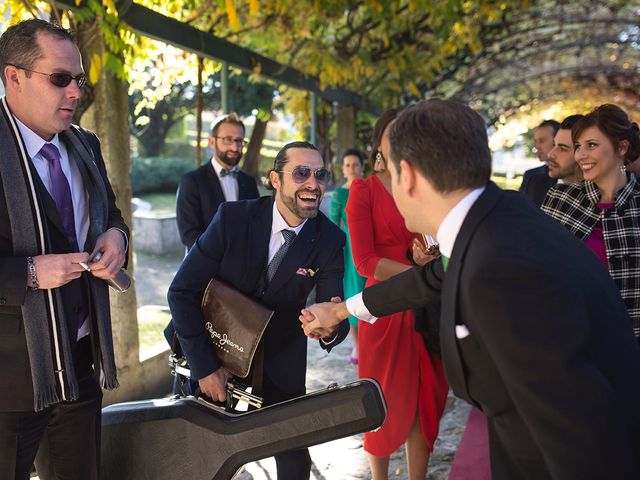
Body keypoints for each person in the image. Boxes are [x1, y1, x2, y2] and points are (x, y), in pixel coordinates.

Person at [301, 99, 640, 479]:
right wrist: (343, 310)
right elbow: (433, 279)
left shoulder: (498, 270)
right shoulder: (498, 215)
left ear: (408, 175)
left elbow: (578, 437)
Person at [168, 141, 348, 479]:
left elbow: (334, 308)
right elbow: (181, 292)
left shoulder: (330, 239)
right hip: (212, 344)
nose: (313, 183)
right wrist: (205, 367)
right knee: (195, 453)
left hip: (280, 354)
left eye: (320, 174)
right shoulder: (232, 218)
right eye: (301, 173)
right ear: (275, 180)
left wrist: (330, 327)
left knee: (293, 454)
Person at [0, 19, 129, 480]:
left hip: (79, 365)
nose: (75, 92)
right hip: (8, 380)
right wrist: (31, 273)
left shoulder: (85, 145)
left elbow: (111, 217)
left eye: (79, 79)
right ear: (13, 77)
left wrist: (116, 240)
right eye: (60, 79)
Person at [344, 109, 447, 480]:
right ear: (379, 144)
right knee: (381, 401)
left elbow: (435, 235)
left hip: (426, 305)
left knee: (425, 399)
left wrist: (425, 257)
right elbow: (364, 261)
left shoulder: (424, 183)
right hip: (384, 309)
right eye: (393, 135)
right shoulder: (364, 190)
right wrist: (418, 276)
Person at [543, 104, 640, 342]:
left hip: (629, 350)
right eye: (578, 147)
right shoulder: (560, 199)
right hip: (569, 342)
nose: (580, 155)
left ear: (622, 147)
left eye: (592, 145)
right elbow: (538, 271)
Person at [176, 113, 259, 250]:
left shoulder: (249, 182)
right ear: (212, 142)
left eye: (239, 141)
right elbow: (189, 234)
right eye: (228, 140)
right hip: (207, 267)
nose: (234, 147)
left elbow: (257, 226)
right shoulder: (192, 181)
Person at [329, 148, 367, 364]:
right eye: (347, 165)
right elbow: (334, 225)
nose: (351, 168)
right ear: (343, 169)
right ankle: (357, 345)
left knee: (370, 290)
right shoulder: (339, 194)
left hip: (372, 243)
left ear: (362, 167)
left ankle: (372, 342)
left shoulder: (371, 188)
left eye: (355, 164)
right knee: (353, 294)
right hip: (350, 248)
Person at [519, 119, 560, 206]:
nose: (537, 146)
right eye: (536, 141)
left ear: (557, 141)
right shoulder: (530, 176)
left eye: (542, 141)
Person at [545, 114, 583, 185]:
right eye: (554, 145)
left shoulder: (601, 194)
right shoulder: (536, 184)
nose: (550, 154)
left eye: (562, 149)